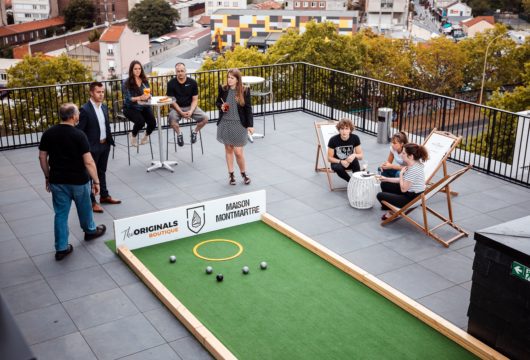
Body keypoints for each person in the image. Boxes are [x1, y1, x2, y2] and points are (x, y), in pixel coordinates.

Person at [38, 103, 106, 261]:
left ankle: (61, 248)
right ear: (74, 116)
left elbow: (42, 157)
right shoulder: (79, 135)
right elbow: (88, 161)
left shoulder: (48, 133)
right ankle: (90, 231)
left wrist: (48, 177)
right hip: (79, 181)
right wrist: (96, 181)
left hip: (58, 181)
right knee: (84, 208)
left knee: (60, 214)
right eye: (78, 114)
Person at [77, 81, 122, 213]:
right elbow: (80, 131)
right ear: (91, 93)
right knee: (91, 175)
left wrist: (109, 141)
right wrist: (85, 149)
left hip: (104, 145)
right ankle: (92, 202)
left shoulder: (104, 107)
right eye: (98, 92)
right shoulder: (84, 110)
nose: (101, 94)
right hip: (92, 148)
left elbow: (105, 126)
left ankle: (104, 196)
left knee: (102, 171)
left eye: (102, 92)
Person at [215, 68, 254, 185]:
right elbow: (217, 102)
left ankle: (243, 173)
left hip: (239, 124)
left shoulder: (244, 90)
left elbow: (248, 109)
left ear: (237, 79)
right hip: (226, 122)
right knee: (228, 149)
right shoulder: (223, 89)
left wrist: (250, 125)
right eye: (228, 77)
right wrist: (221, 106)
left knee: (238, 152)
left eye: (232, 78)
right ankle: (231, 175)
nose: (229, 80)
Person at [376, 143, 429, 220]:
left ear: (411, 156)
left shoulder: (413, 170)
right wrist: (386, 178)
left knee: (380, 195)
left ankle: (393, 212)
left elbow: (403, 189)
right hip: (411, 192)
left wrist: (401, 174)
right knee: (384, 184)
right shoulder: (414, 164)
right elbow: (404, 180)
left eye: (404, 153)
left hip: (410, 198)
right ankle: (391, 207)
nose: (401, 155)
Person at [166, 62, 208, 146]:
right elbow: (172, 101)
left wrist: (191, 111)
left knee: (205, 118)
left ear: (185, 71)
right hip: (176, 108)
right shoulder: (171, 83)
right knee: (171, 120)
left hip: (190, 106)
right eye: (178, 71)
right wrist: (181, 112)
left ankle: (194, 132)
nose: (180, 73)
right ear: (176, 72)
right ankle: (179, 134)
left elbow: (195, 100)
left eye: (182, 71)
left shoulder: (192, 82)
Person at [122, 60, 156, 147]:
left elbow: (147, 93)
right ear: (131, 70)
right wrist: (140, 97)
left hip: (143, 106)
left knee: (152, 123)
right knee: (141, 122)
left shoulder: (144, 80)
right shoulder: (126, 82)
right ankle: (133, 135)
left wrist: (148, 96)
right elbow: (129, 99)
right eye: (135, 69)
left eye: (139, 68)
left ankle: (146, 135)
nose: (138, 70)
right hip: (130, 108)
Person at [327, 118, 363, 182]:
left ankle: (358, 181)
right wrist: (341, 161)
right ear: (339, 130)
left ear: (350, 130)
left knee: (355, 160)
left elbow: (361, 156)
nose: (344, 131)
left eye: (347, 129)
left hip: (350, 162)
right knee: (337, 167)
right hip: (338, 163)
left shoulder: (355, 138)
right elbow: (329, 158)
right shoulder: (333, 140)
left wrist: (354, 155)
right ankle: (351, 182)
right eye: (342, 129)